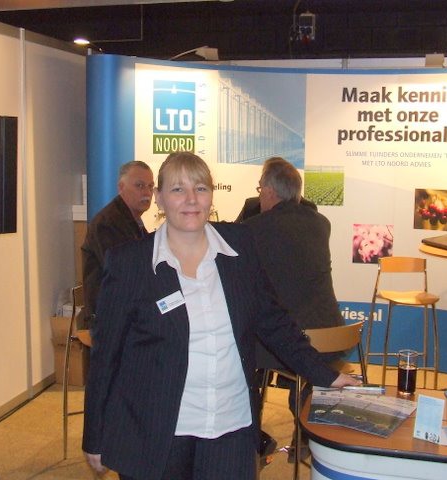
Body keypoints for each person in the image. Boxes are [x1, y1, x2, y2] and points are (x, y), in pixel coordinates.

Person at [82, 152, 359, 480]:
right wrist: (95, 435)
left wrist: (324, 374)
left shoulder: (238, 246)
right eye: (178, 189)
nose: (191, 199)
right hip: (157, 429)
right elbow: (107, 354)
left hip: (231, 426)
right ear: (159, 197)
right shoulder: (130, 262)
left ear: (211, 195)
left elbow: (273, 321)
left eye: (200, 188)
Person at [243, 157, 346, 461]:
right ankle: (303, 437)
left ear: (270, 192)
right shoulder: (321, 224)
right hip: (333, 336)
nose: (260, 196)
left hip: (294, 343)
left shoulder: (253, 229)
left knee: (241, 354)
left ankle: (252, 441)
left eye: (260, 190)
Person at [80, 161, 154, 328]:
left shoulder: (132, 220)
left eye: (150, 186)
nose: (147, 193)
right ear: (121, 187)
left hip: (126, 314)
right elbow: (125, 273)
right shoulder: (108, 223)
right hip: (111, 320)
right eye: (139, 185)